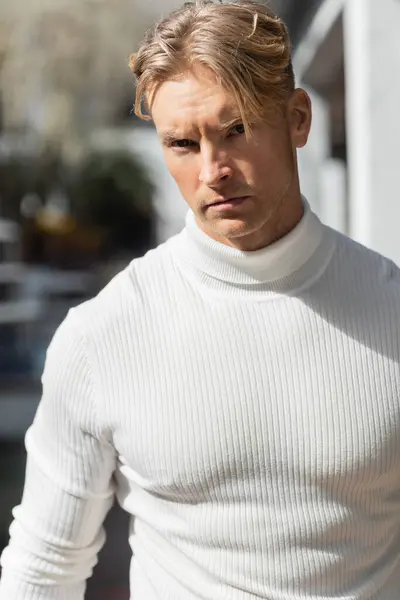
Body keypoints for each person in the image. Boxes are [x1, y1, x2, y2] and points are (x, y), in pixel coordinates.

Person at [1, 1, 400, 598]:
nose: (213, 169)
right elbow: (43, 567)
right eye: (183, 144)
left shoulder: (390, 311)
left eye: (235, 129)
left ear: (297, 118)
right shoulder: (104, 334)